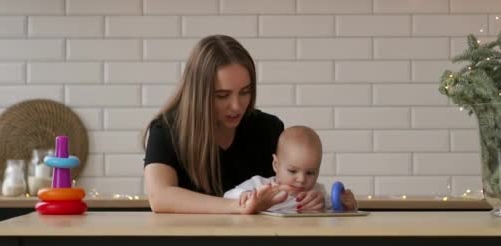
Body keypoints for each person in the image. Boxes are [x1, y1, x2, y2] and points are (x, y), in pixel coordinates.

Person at [143, 35, 326, 214]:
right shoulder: (166, 130)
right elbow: (160, 197)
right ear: (199, 94)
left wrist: (313, 199)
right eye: (222, 95)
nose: (237, 106)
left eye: (245, 92)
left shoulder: (268, 128)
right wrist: (238, 207)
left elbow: (288, 193)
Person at [224, 125, 358, 212]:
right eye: (293, 171)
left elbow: (336, 215)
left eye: (310, 173)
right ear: (276, 164)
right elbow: (227, 196)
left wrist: (347, 206)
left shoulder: (317, 192)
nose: (301, 179)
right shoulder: (261, 185)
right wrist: (246, 196)